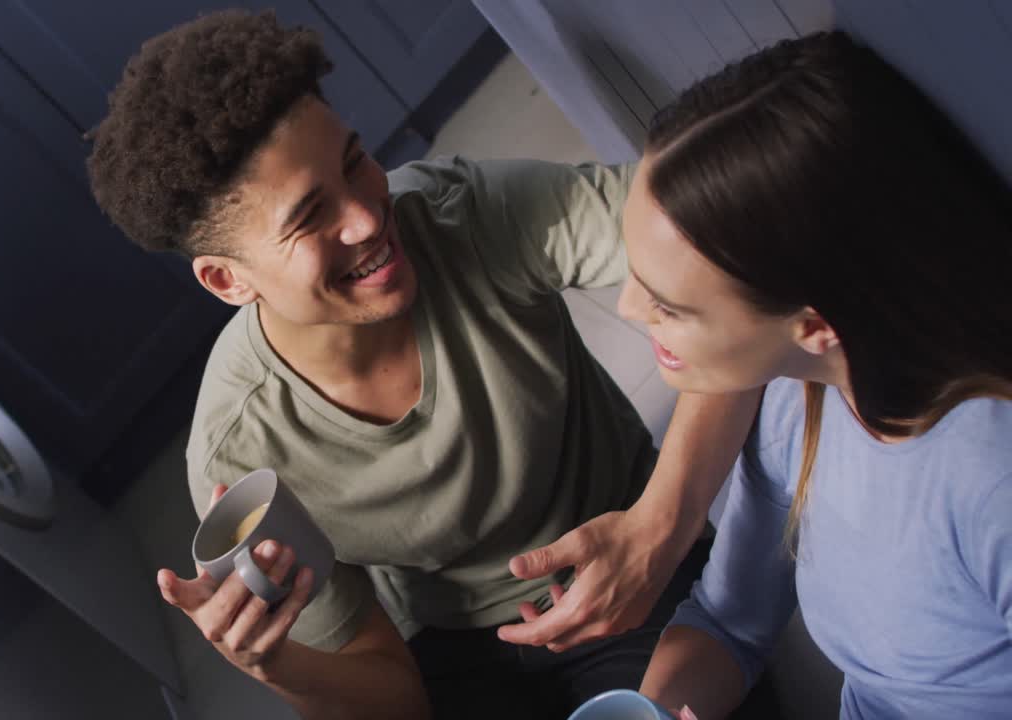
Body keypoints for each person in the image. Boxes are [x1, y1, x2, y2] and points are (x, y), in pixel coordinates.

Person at [86, 11, 756, 719]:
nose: (369, 218)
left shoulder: (465, 217)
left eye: (353, 161)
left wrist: (662, 524)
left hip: (624, 558)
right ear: (228, 281)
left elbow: (726, 247)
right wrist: (281, 665)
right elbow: (395, 697)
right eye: (311, 215)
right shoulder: (240, 454)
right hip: (457, 641)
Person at [614, 31, 1012, 719]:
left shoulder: (990, 480)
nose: (625, 307)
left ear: (815, 324)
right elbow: (730, 622)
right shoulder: (800, 397)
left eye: (669, 306)